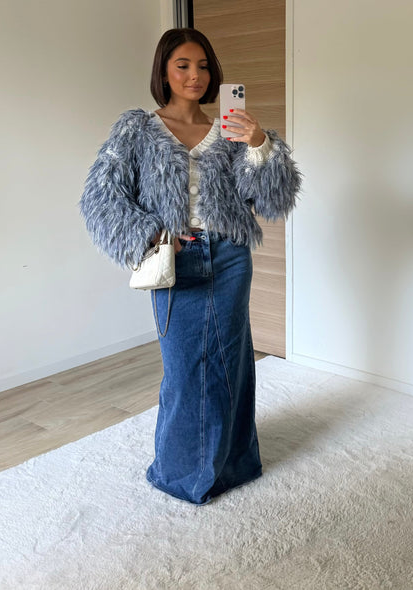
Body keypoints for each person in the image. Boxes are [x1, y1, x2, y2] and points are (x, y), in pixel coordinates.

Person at [80, 28, 301, 505]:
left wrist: (259, 143)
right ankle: (181, 474)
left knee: (231, 363)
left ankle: (235, 466)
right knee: (183, 370)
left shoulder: (230, 131)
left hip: (230, 256)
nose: (194, 75)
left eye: (202, 66)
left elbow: (274, 199)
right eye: (182, 65)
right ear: (164, 71)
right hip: (177, 260)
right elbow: (99, 197)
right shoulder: (138, 129)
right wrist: (152, 234)